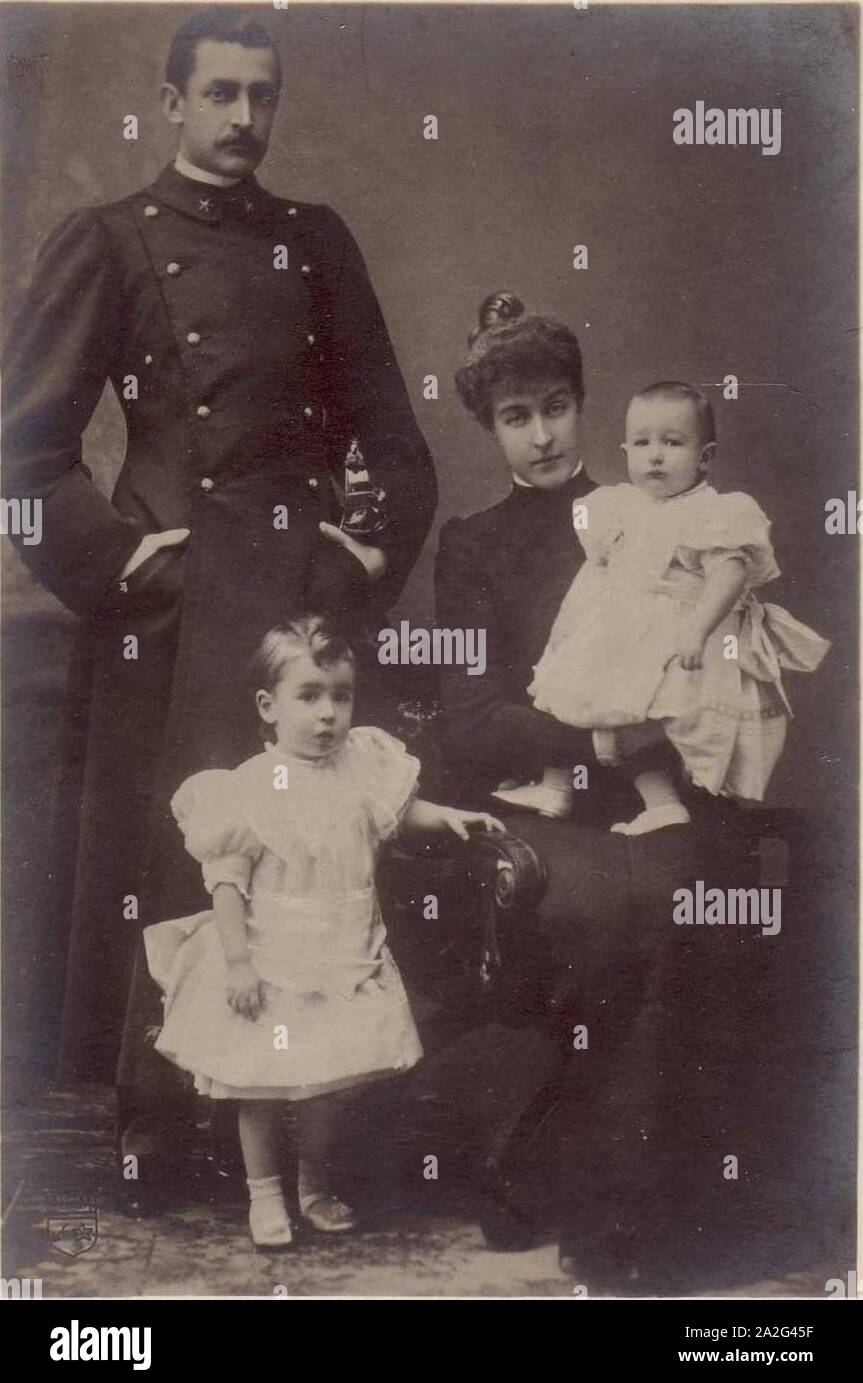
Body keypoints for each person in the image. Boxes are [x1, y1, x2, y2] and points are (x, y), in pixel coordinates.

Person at [1, 8, 436, 1203]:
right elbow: (24, 453)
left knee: (320, 863)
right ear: (173, 101)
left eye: (263, 95)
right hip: (178, 613)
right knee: (188, 857)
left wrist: (356, 563)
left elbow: (396, 441)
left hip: (302, 611)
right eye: (222, 94)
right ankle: (164, 1124)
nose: (245, 118)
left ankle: (315, 1136)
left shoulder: (316, 240)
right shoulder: (111, 239)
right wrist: (127, 566)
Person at [435, 293, 788, 1290]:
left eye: (554, 406)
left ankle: (690, 1201)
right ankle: (598, 1212)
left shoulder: (658, 513)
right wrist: (596, 736)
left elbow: (722, 651)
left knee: (698, 893)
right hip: (546, 797)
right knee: (605, 908)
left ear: (582, 406)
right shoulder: (471, 544)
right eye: (514, 415)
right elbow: (468, 719)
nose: (541, 434)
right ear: (489, 425)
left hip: (664, 780)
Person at [143, 615, 503, 1247]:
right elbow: (226, 881)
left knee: (329, 1082)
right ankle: (264, 1194)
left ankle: (313, 1183)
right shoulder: (246, 790)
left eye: (341, 695)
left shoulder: (361, 764)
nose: (328, 714)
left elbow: (393, 813)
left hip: (344, 947)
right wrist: (236, 964)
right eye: (308, 696)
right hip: (270, 950)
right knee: (258, 1081)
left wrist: (445, 815)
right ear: (268, 705)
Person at [496, 380, 829, 831]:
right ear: (626, 450)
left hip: (671, 640)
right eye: (642, 443)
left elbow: (730, 573)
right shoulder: (622, 505)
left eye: (672, 443)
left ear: (705, 457)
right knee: (571, 703)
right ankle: (557, 790)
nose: (655, 455)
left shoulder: (711, 511)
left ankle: (661, 804)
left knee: (636, 720)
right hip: (615, 636)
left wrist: (696, 630)